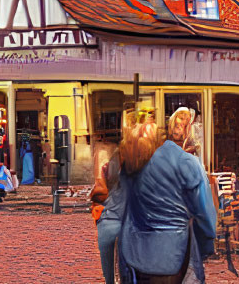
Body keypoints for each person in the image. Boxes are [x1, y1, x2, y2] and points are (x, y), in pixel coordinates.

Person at [118, 110, 215, 284]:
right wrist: (206, 246)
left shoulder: (130, 166)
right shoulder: (187, 162)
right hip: (175, 253)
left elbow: (122, 211)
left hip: (136, 255)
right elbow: (205, 214)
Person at [90, 139, 125, 284]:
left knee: (106, 244)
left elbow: (98, 195)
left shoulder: (107, 168)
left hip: (110, 221)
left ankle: (109, 280)